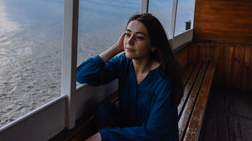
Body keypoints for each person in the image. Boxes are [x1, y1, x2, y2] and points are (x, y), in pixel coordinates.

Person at [76, 13, 183, 141]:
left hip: (155, 137)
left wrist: (103, 136)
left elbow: (155, 133)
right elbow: (82, 75)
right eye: (127, 34)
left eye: (139, 37)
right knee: (104, 111)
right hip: (133, 131)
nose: (130, 41)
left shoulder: (164, 80)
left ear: (153, 45)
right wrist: (116, 48)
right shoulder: (124, 62)